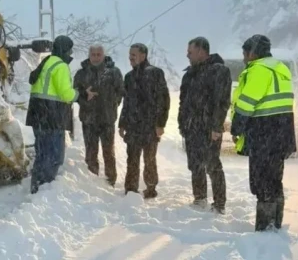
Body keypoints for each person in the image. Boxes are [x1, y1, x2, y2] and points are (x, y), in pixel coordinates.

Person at [230, 34, 296, 231]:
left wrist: (236, 127)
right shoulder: (279, 68)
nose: (243, 58)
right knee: (275, 179)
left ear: (253, 53)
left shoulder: (259, 70)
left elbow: (247, 102)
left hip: (264, 132)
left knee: (262, 181)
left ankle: (265, 226)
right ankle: (275, 222)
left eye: (245, 53)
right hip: (282, 132)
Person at [178, 37, 232, 214]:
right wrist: (182, 122)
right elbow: (183, 101)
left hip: (209, 128)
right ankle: (199, 198)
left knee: (212, 164)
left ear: (202, 51)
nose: (187, 55)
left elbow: (222, 101)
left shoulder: (219, 71)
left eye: (190, 51)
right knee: (195, 165)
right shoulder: (189, 74)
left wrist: (216, 127)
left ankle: (219, 204)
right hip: (191, 127)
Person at [26, 35, 79, 194]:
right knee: (54, 156)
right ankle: (45, 190)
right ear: (66, 50)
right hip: (52, 116)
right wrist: (78, 94)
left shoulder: (46, 62)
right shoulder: (60, 66)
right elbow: (65, 94)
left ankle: (36, 188)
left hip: (38, 115)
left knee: (41, 154)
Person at [118, 43, 170, 199]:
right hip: (133, 126)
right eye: (129, 55)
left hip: (150, 125)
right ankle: (131, 189)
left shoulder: (155, 73)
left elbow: (164, 100)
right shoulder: (129, 77)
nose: (130, 58)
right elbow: (126, 103)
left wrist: (161, 124)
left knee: (149, 159)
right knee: (132, 159)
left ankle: (151, 188)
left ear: (143, 55)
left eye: (133, 55)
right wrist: (122, 123)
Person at [74, 45, 124, 186]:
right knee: (91, 153)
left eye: (98, 54)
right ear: (89, 55)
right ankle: (92, 182)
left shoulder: (113, 72)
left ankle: (110, 180)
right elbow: (75, 94)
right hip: (88, 119)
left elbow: (121, 91)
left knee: (109, 153)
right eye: (93, 54)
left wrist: (113, 104)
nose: (96, 57)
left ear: (103, 55)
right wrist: (85, 98)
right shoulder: (81, 74)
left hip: (107, 119)